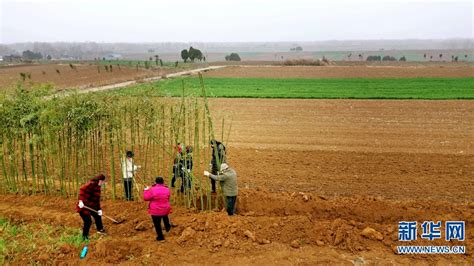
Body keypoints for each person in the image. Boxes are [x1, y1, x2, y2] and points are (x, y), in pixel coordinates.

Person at [76, 174, 107, 240]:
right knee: (88, 221)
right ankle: (85, 237)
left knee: (97, 215)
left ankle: (100, 229)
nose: (103, 183)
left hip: (91, 205)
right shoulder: (91, 184)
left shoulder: (98, 187)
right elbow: (81, 190)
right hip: (83, 206)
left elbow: (97, 200)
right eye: (103, 181)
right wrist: (81, 201)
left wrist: (99, 209)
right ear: (100, 180)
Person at [143, 176, 172, 241]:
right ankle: (167, 226)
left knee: (157, 224)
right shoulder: (167, 189)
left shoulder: (152, 189)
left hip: (155, 210)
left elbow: (146, 198)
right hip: (166, 209)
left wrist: (146, 190)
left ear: (155, 182)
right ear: (163, 182)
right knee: (164, 215)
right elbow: (168, 197)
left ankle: (160, 237)